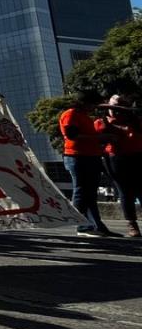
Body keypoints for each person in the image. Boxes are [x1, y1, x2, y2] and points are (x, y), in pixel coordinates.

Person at [60, 89, 116, 237]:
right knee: (81, 191)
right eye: (93, 104)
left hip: (90, 156)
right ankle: (82, 226)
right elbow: (73, 136)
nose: (95, 107)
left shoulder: (84, 116)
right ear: (85, 103)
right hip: (77, 156)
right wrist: (100, 138)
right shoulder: (70, 115)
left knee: (90, 193)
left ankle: (97, 226)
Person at [97, 94, 140, 237]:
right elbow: (95, 140)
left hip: (137, 156)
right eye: (111, 108)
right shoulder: (102, 122)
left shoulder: (135, 121)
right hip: (115, 158)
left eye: (118, 108)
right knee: (125, 191)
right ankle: (132, 224)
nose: (114, 111)